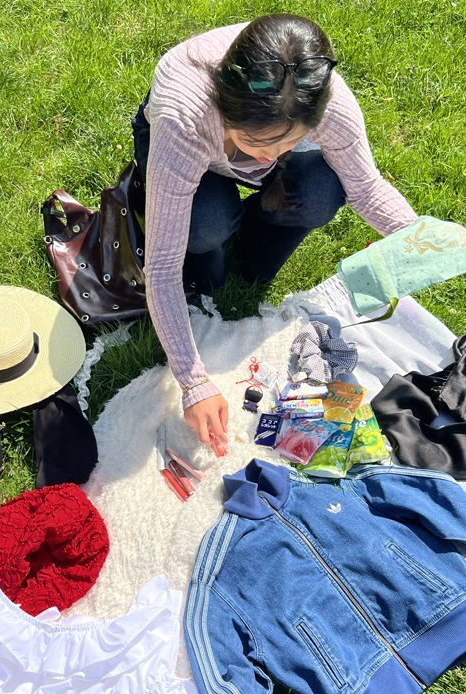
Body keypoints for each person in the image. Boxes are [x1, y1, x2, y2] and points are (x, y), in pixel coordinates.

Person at [132, 14, 417, 454]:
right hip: (188, 146)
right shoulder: (184, 116)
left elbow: (366, 187)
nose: (270, 158)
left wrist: (419, 238)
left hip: (243, 131)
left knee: (321, 192)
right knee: (204, 227)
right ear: (228, 111)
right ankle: (174, 200)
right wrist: (193, 382)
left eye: (289, 143)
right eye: (258, 142)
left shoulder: (326, 101)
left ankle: (245, 230)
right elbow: (163, 265)